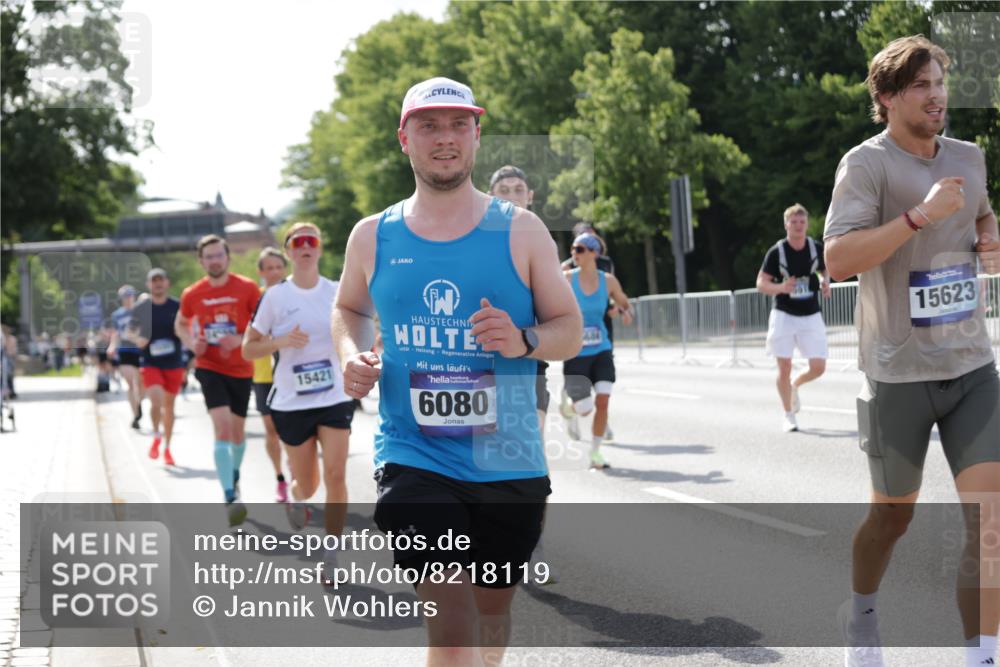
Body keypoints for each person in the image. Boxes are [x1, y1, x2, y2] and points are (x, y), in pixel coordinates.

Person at [332, 76, 582, 665]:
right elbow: (347, 308)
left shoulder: (521, 229)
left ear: (476, 134)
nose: (444, 138)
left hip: (508, 459)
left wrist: (523, 339)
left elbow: (568, 329)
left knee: (491, 613)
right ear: (404, 139)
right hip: (414, 454)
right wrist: (352, 354)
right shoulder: (373, 235)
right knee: (452, 617)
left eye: (457, 125)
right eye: (428, 125)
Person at [824, 35, 1000, 667]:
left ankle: (982, 653)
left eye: (941, 83)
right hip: (898, 372)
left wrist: (989, 235)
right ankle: (862, 618)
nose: (937, 96)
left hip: (972, 365)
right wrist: (918, 219)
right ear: (888, 97)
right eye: (921, 86)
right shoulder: (865, 165)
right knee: (891, 519)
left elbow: (980, 214)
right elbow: (838, 260)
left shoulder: (969, 156)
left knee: (990, 520)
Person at [243, 223, 354, 578]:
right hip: (291, 401)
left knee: (336, 474)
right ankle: (294, 493)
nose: (306, 246)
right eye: (298, 241)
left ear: (320, 249)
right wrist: (280, 342)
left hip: (333, 396)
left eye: (312, 240)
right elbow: (248, 348)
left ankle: (332, 554)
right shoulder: (275, 297)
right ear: (289, 251)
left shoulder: (337, 292)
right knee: (310, 484)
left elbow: (356, 332)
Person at [175, 234, 260, 526]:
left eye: (218, 255)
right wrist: (191, 344)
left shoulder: (247, 288)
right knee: (222, 428)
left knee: (238, 434)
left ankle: (233, 479)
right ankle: (229, 497)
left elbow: (264, 322)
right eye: (208, 256)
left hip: (241, 368)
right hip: (209, 366)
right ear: (201, 261)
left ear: (227, 258)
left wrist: (239, 338)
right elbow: (182, 324)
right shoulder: (192, 294)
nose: (214, 260)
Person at [756, 203, 831, 432]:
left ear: (807, 224)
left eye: (802, 222)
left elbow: (825, 269)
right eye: (794, 222)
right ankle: (788, 414)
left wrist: (824, 281)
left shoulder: (815, 247)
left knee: (818, 366)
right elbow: (761, 283)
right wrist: (781, 287)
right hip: (784, 314)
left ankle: (795, 385)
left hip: (810, 312)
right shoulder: (777, 252)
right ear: (786, 224)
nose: (798, 226)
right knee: (784, 365)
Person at [561, 233, 633, 469]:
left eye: (579, 249)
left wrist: (624, 311)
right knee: (584, 408)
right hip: (575, 351)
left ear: (594, 253)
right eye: (573, 249)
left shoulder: (608, 281)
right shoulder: (566, 279)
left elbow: (623, 302)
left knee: (603, 400)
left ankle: (595, 453)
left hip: (601, 348)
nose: (574, 254)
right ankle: (569, 410)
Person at [488, 165, 550, 430]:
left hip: (529, 361)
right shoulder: (475, 241)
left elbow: (559, 318)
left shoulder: (541, 242)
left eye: (518, 190)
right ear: (489, 196)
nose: (511, 196)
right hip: (482, 363)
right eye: (503, 191)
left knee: (533, 446)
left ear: (530, 196)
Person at [128, 268, 184, 465]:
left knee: (169, 407)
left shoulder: (178, 305)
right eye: (154, 281)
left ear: (167, 283)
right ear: (148, 285)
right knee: (156, 401)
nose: (158, 284)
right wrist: (138, 339)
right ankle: (156, 434)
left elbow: (188, 326)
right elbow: (130, 331)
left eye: (161, 280)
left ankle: (167, 447)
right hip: (151, 362)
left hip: (174, 362)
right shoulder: (141, 307)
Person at [252, 247, 290, 502]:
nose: (274, 272)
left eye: (279, 267)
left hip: (293, 372)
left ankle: (298, 473)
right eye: (269, 268)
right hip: (264, 374)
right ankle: (280, 479)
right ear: (261, 272)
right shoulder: (256, 299)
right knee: (271, 430)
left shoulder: (297, 294)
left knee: (293, 430)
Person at [108, 285, 144, 428]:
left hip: (140, 350)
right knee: (130, 383)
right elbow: (115, 333)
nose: (129, 299)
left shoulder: (141, 312)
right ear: (121, 298)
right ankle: (135, 415)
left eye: (131, 296)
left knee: (141, 384)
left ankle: (139, 403)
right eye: (125, 296)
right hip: (125, 350)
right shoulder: (117, 315)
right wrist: (112, 346)